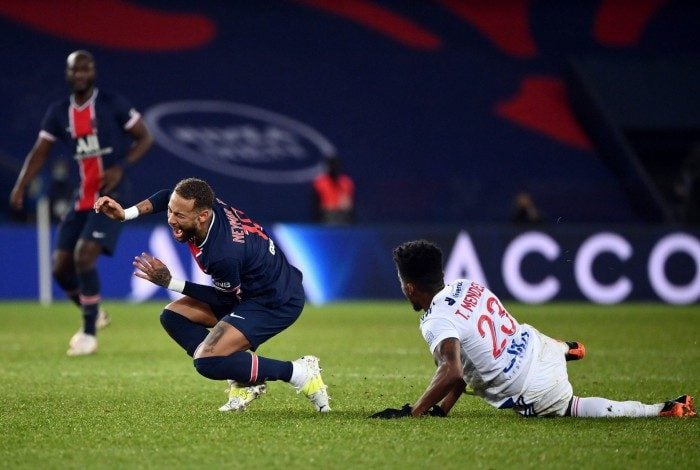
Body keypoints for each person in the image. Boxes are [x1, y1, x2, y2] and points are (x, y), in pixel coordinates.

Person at [370, 239, 696, 419]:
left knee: (572, 408)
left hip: (532, 384)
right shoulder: (466, 285)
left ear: (410, 288)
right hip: (538, 344)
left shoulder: (436, 321)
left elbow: (452, 371)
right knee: (506, 343)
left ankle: (661, 409)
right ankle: (566, 348)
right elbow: (464, 368)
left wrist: (414, 412)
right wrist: (441, 411)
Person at [93, 177, 330, 413]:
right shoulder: (204, 207)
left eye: (179, 216)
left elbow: (224, 300)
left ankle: (298, 372)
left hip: (274, 301)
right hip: (253, 290)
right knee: (174, 317)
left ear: (202, 216)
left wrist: (170, 282)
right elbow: (167, 196)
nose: (171, 220)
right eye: (171, 212)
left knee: (208, 362)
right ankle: (245, 379)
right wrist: (125, 214)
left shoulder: (222, 253)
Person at [9, 50, 153, 356]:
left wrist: (120, 168)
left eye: (85, 69)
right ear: (68, 73)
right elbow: (40, 152)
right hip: (83, 196)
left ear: (93, 72)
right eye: (75, 70)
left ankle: (88, 334)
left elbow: (145, 137)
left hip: (112, 196)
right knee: (60, 269)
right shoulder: (59, 112)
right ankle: (94, 312)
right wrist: (21, 185)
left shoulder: (113, 104)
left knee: (84, 256)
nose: (80, 75)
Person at [312, 155, 355, 225]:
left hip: (344, 215)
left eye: (336, 166)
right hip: (327, 214)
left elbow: (349, 203)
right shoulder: (320, 182)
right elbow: (315, 204)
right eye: (332, 166)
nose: (334, 168)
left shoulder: (346, 182)